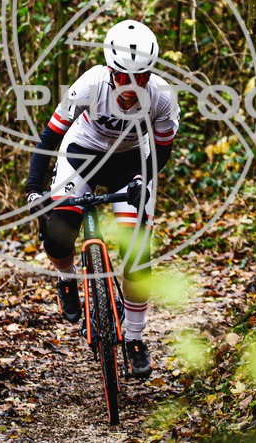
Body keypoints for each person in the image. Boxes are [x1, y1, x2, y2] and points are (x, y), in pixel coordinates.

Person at [24, 20, 179, 380]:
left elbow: (161, 150)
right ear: (110, 71)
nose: (131, 87)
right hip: (83, 152)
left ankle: (135, 338)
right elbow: (50, 136)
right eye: (123, 77)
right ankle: (66, 278)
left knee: (138, 253)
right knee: (58, 232)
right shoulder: (90, 83)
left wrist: (142, 180)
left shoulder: (161, 96)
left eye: (141, 78)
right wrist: (33, 188)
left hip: (132, 161)